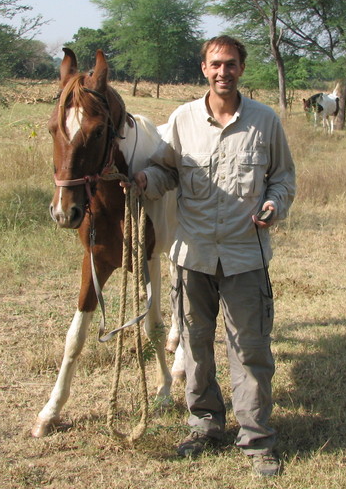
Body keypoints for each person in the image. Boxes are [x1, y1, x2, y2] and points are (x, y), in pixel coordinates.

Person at [134, 36, 296, 477]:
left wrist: (274, 205)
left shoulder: (266, 121)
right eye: (214, 65)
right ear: (203, 69)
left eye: (231, 64)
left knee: (251, 350)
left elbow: (283, 179)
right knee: (195, 345)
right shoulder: (182, 119)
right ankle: (206, 425)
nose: (222, 71)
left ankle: (257, 439)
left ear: (242, 68)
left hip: (247, 257)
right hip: (193, 257)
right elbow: (166, 170)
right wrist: (142, 180)